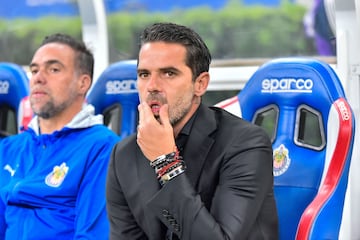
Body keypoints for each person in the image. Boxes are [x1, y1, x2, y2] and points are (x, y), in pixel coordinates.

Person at [106, 22, 279, 239]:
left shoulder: (246, 144)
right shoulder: (124, 154)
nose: (152, 86)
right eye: (143, 74)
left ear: (200, 84)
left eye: (168, 73)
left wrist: (165, 163)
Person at [0, 33, 120, 239]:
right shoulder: (9, 148)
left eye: (53, 69)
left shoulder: (103, 148)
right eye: (35, 70)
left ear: (83, 83)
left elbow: (93, 235)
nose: (38, 77)